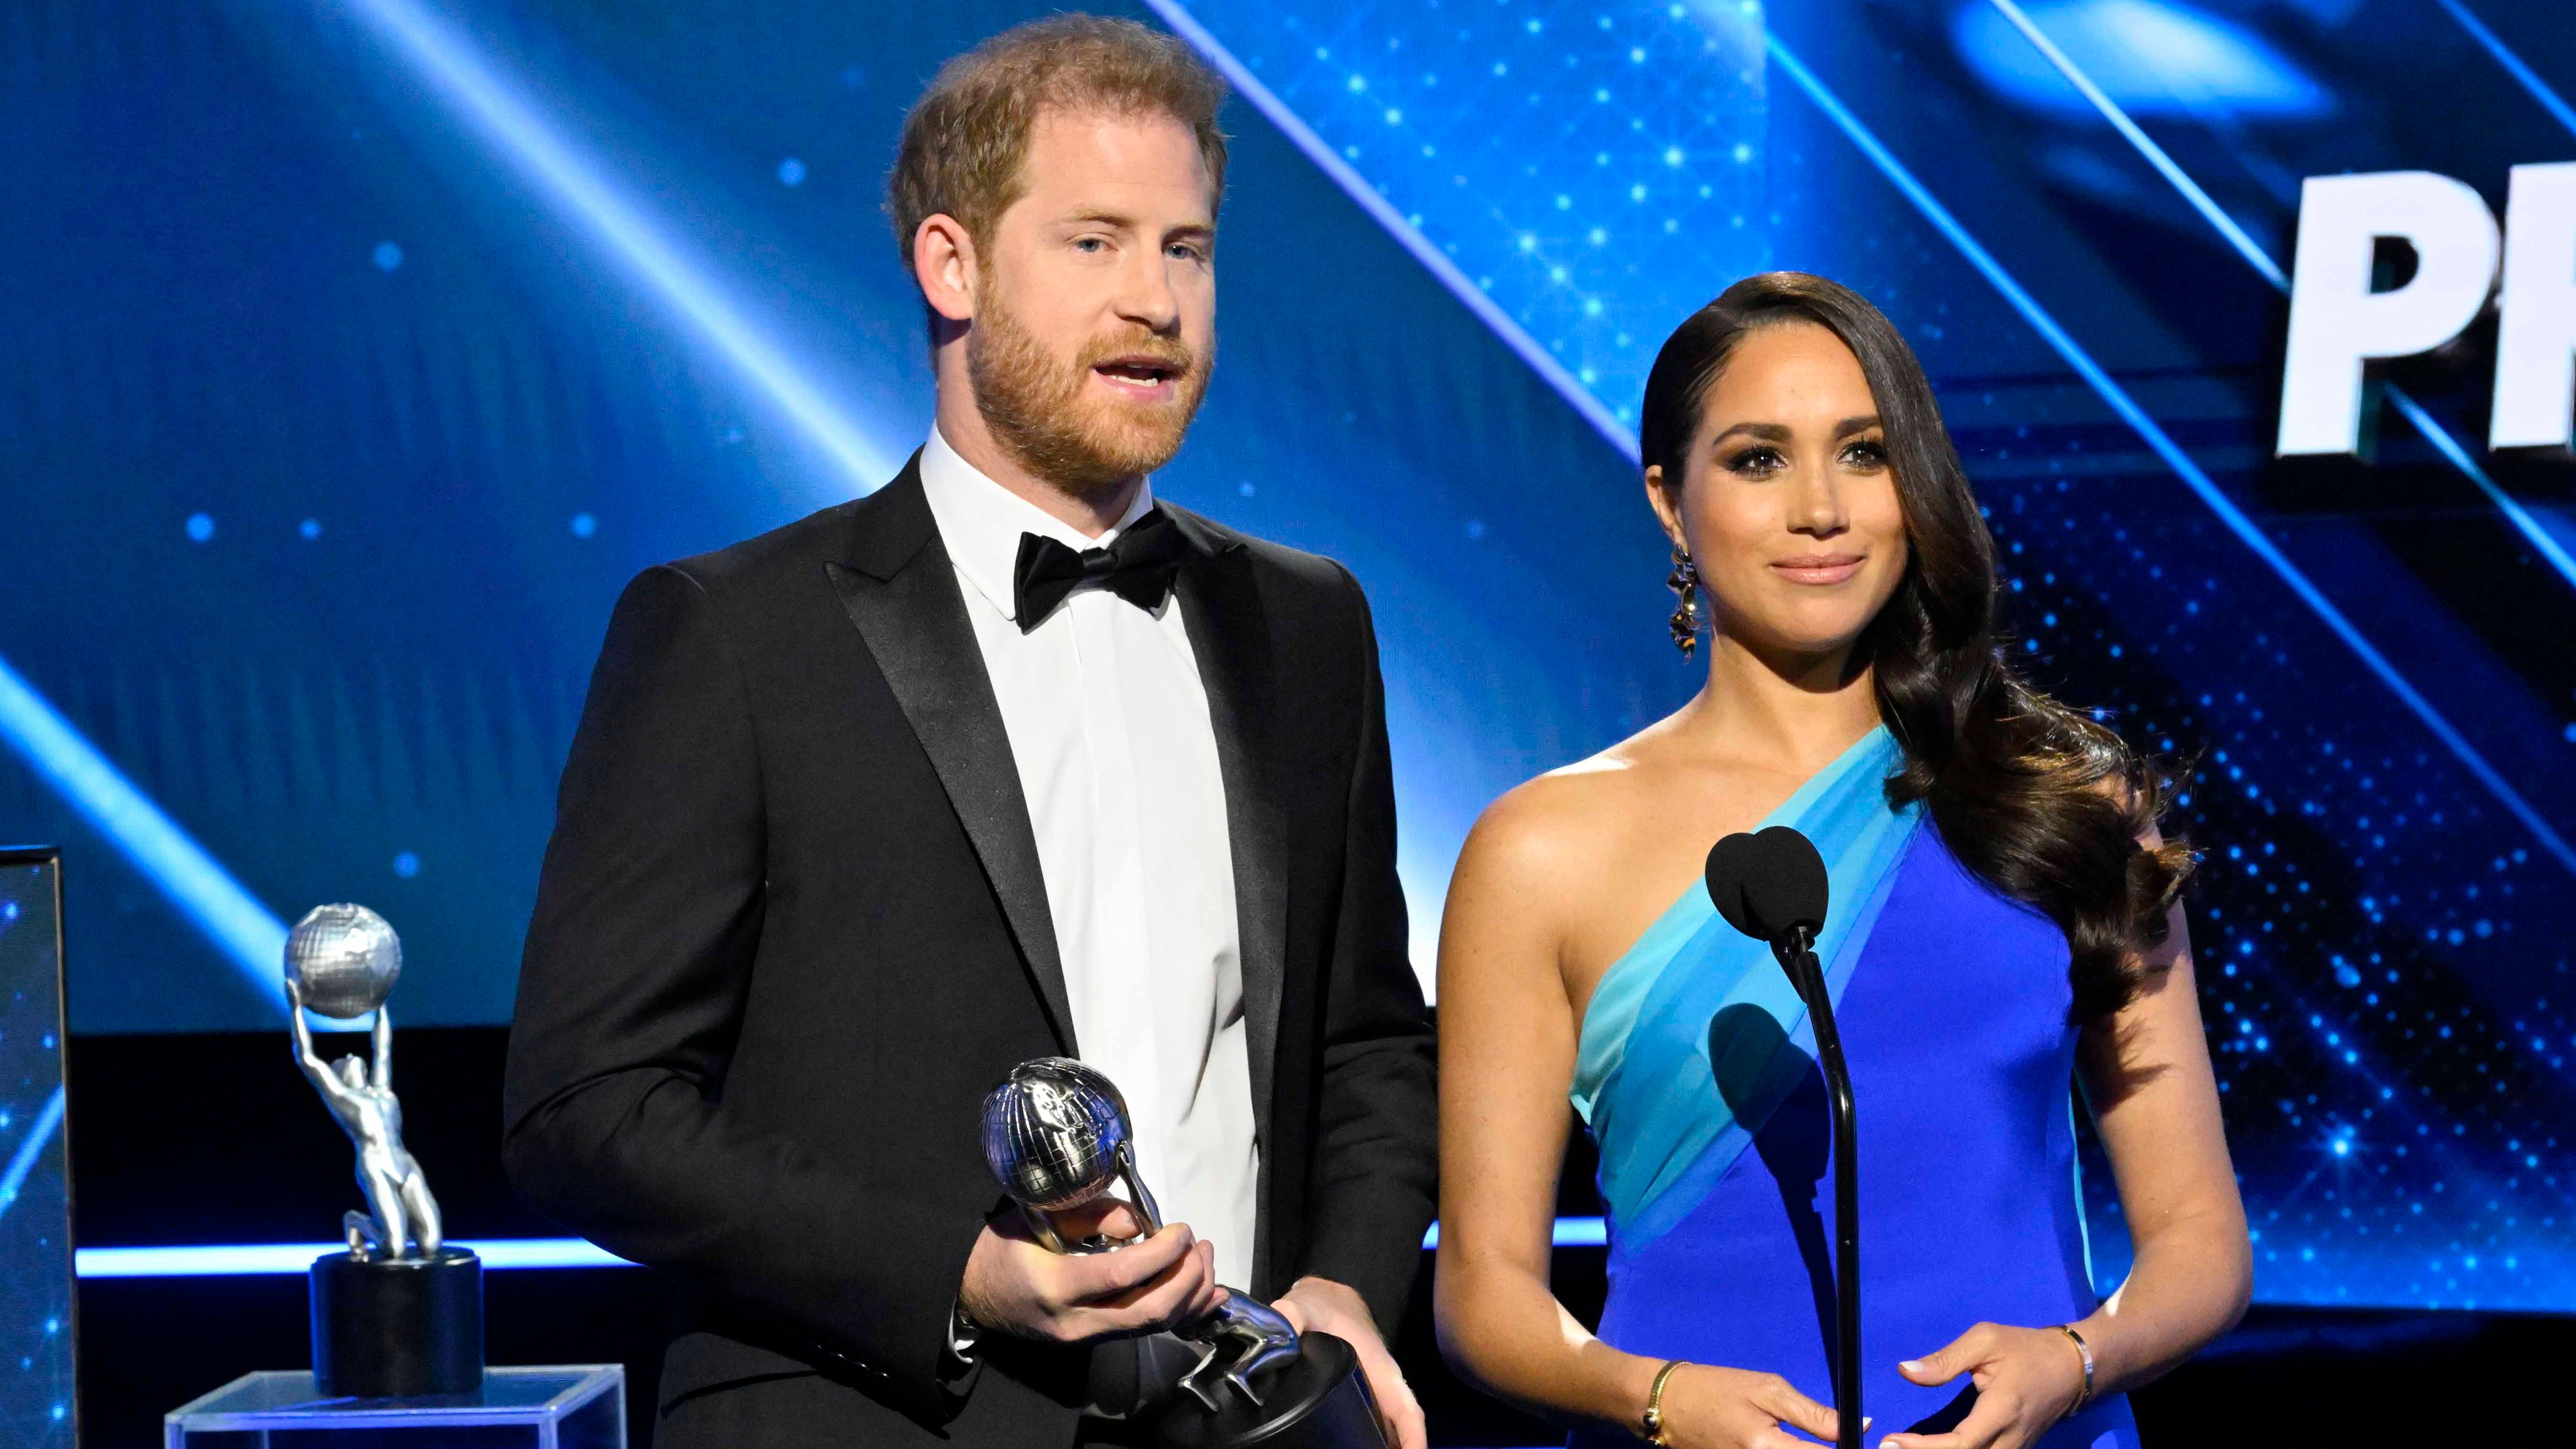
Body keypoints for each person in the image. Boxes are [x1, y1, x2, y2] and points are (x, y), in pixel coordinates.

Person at [503, 17, 1434, 1447]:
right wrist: (959, 1274)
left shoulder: (1308, 625)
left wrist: (1344, 1292)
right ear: (951, 264)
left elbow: (1368, 1047)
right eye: (1095, 243)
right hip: (879, 1416)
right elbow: (588, 1108)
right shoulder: (737, 634)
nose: (1157, 302)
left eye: (1185, 248)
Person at [1432, 273, 2249, 1449]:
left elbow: (2200, 1243)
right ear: (1669, 500)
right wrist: (1657, 1397)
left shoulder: (2067, 811)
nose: (1820, 507)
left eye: (1862, 453)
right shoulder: (1538, 849)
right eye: (1758, 459)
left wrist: (2071, 1361)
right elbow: (1485, 1295)